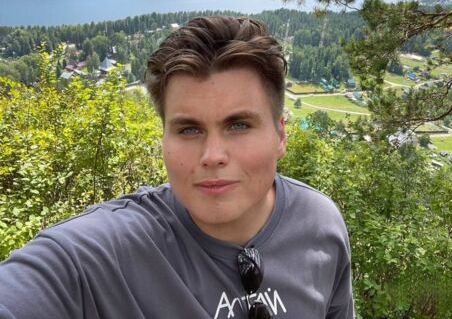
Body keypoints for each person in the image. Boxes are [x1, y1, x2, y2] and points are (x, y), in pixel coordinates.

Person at [0, 16, 354, 319]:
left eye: (238, 125)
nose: (212, 155)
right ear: (164, 139)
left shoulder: (319, 224)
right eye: (189, 130)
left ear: (280, 135)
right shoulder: (99, 256)